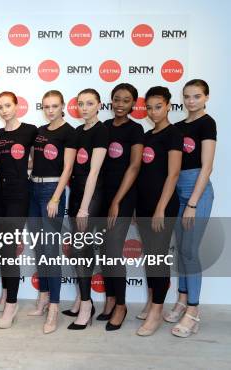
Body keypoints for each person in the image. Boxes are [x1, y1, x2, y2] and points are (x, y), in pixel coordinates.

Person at [165, 79, 216, 338]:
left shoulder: (207, 123)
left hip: (197, 193)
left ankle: (193, 312)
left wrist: (193, 203)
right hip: (177, 192)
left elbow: (207, 167)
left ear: (206, 97)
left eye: (197, 96)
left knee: (190, 251)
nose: (191, 101)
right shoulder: (178, 127)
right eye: (187, 96)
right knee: (181, 251)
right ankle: (182, 300)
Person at [135, 86, 182, 336]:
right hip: (143, 204)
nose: (153, 112)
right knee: (149, 256)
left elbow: (173, 174)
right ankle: (152, 300)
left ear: (168, 106)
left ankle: (157, 312)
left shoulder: (174, 134)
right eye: (150, 107)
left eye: (158, 106)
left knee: (158, 257)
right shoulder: (147, 134)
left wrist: (160, 209)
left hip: (162, 207)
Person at [29, 90, 76, 333]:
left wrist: (56, 198)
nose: (50, 110)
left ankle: (55, 309)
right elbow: (34, 161)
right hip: (33, 189)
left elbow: (67, 168)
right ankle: (44, 297)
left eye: (54, 106)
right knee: (39, 247)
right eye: (46, 106)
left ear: (62, 106)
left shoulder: (69, 132)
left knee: (50, 250)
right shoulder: (40, 130)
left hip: (51, 192)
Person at [98, 83, 144, 331]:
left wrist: (117, 201)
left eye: (126, 100)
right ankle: (111, 298)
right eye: (116, 99)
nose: (120, 104)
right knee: (105, 252)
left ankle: (122, 305)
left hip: (123, 199)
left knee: (114, 251)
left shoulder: (136, 130)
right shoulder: (104, 127)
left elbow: (135, 166)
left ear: (133, 104)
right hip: (103, 197)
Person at [0, 91, 37, 329]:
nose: (4, 110)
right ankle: (6, 290)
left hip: (20, 195)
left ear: (17, 106)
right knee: (1, 245)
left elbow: (39, 159)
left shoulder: (30, 130)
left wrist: (23, 167)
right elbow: (2, 164)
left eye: (7, 105)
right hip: (0, 193)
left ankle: (12, 303)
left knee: (10, 248)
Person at [66, 88, 108, 331]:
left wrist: (84, 208)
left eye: (89, 103)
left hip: (92, 198)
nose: (84, 108)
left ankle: (85, 306)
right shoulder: (78, 132)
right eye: (80, 103)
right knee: (78, 249)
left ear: (99, 105)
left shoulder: (102, 131)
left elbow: (93, 172)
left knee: (82, 249)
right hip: (76, 195)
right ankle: (83, 298)